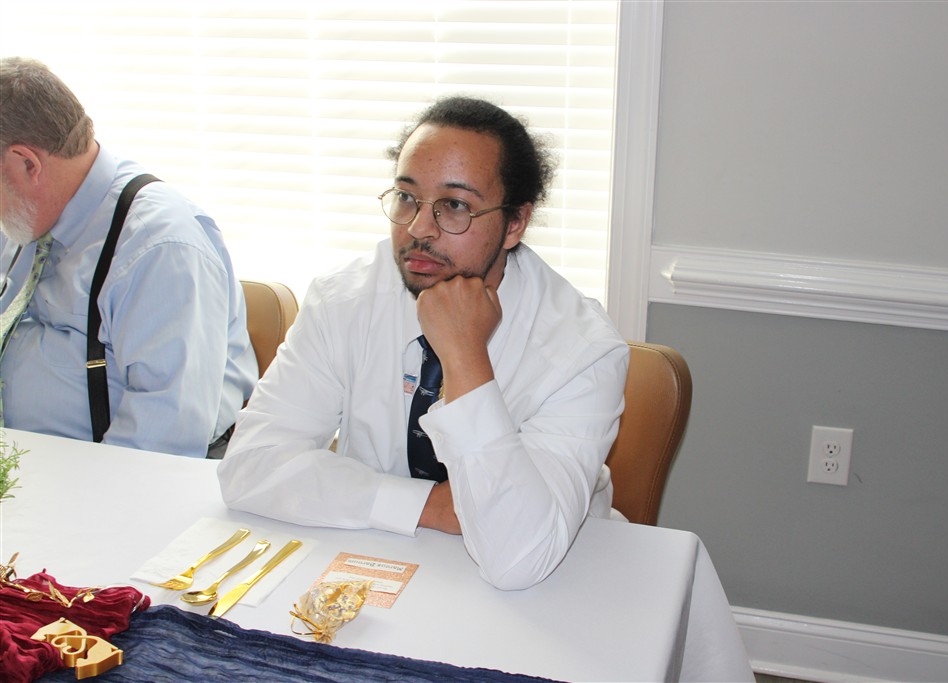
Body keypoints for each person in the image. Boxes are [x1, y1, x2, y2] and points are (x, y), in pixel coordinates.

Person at [218, 96, 629, 590]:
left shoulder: (581, 348)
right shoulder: (343, 298)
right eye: (407, 197)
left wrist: (464, 355)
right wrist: (427, 506)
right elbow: (249, 465)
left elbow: (519, 558)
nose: (417, 229)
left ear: (515, 223)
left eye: (455, 206)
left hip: (558, 590)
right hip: (378, 553)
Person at [0, 57, 257, 458]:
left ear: (27, 163)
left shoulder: (159, 248)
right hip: (26, 469)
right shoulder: (26, 216)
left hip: (112, 477)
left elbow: (162, 440)